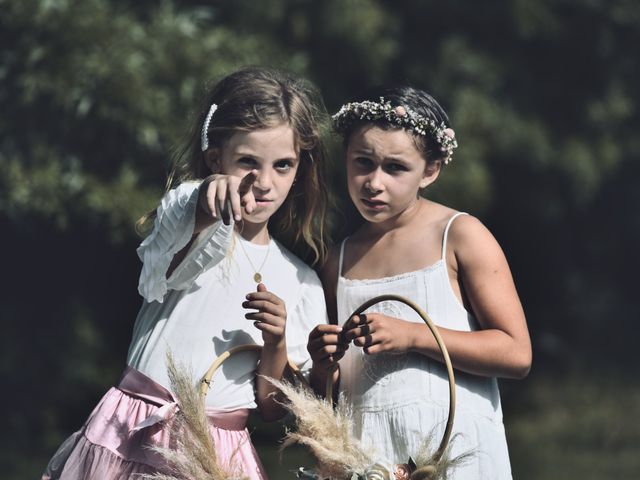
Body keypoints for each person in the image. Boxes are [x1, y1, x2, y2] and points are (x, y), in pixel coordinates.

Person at [42, 67, 330, 480]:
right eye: (248, 162)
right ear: (217, 159)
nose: (264, 183)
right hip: (131, 429)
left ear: (300, 168)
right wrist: (204, 203)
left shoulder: (300, 280)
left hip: (218, 452)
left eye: (283, 165)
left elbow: (269, 407)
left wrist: (277, 340)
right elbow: (166, 259)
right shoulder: (189, 220)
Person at [307, 87, 532, 479]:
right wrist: (323, 363)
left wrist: (414, 335)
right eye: (363, 162)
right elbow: (330, 391)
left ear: (430, 170)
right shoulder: (336, 262)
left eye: (395, 168)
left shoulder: (460, 235)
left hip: (452, 447)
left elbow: (516, 354)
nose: (374, 182)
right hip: (368, 452)